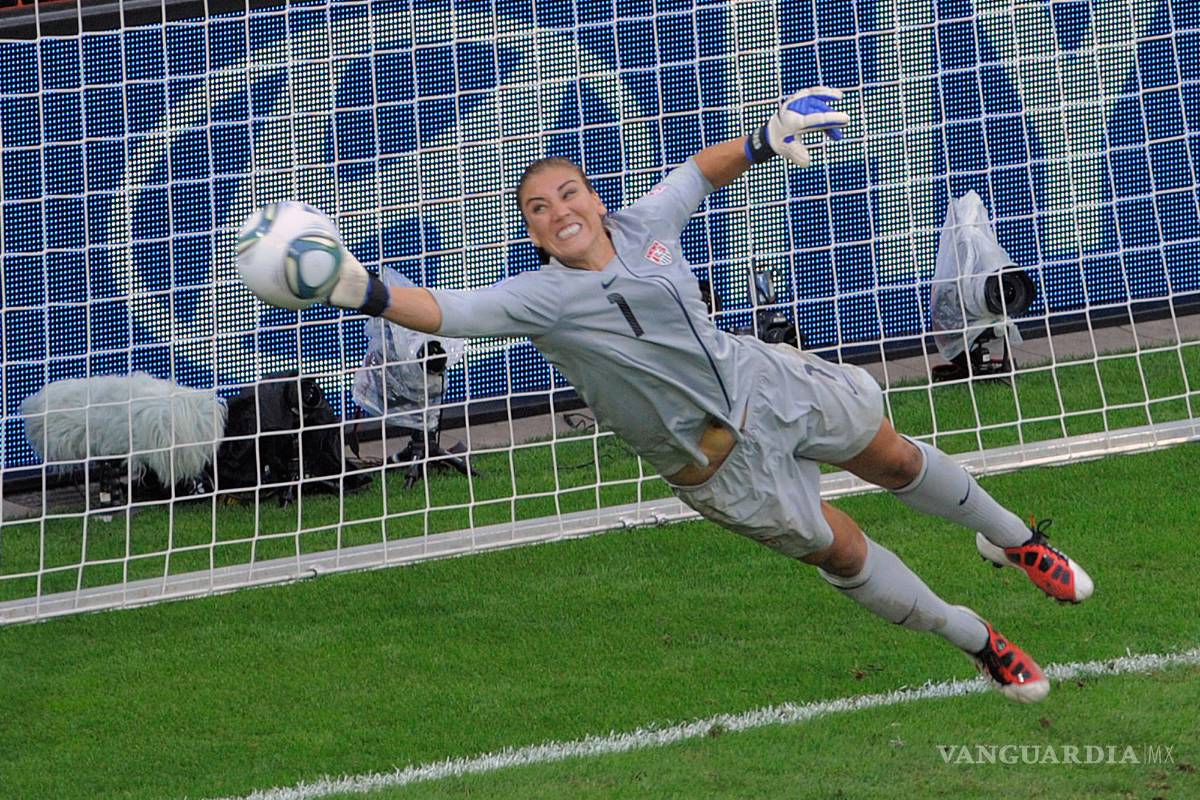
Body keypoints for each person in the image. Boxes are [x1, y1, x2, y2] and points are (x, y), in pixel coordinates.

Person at [240, 87, 1092, 703]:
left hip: (770, 382)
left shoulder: (645, 225)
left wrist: (766, 137)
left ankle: (1017, 543)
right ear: (531, 229)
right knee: (844, 552)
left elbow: (699, 171)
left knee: (895, 453)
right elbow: (448, 309)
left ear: (594, 198)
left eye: (567, 192)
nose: (558, 211)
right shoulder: (538, 300)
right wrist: (356, 286)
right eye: (538, 208)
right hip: (718, 467)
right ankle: (980, 642)